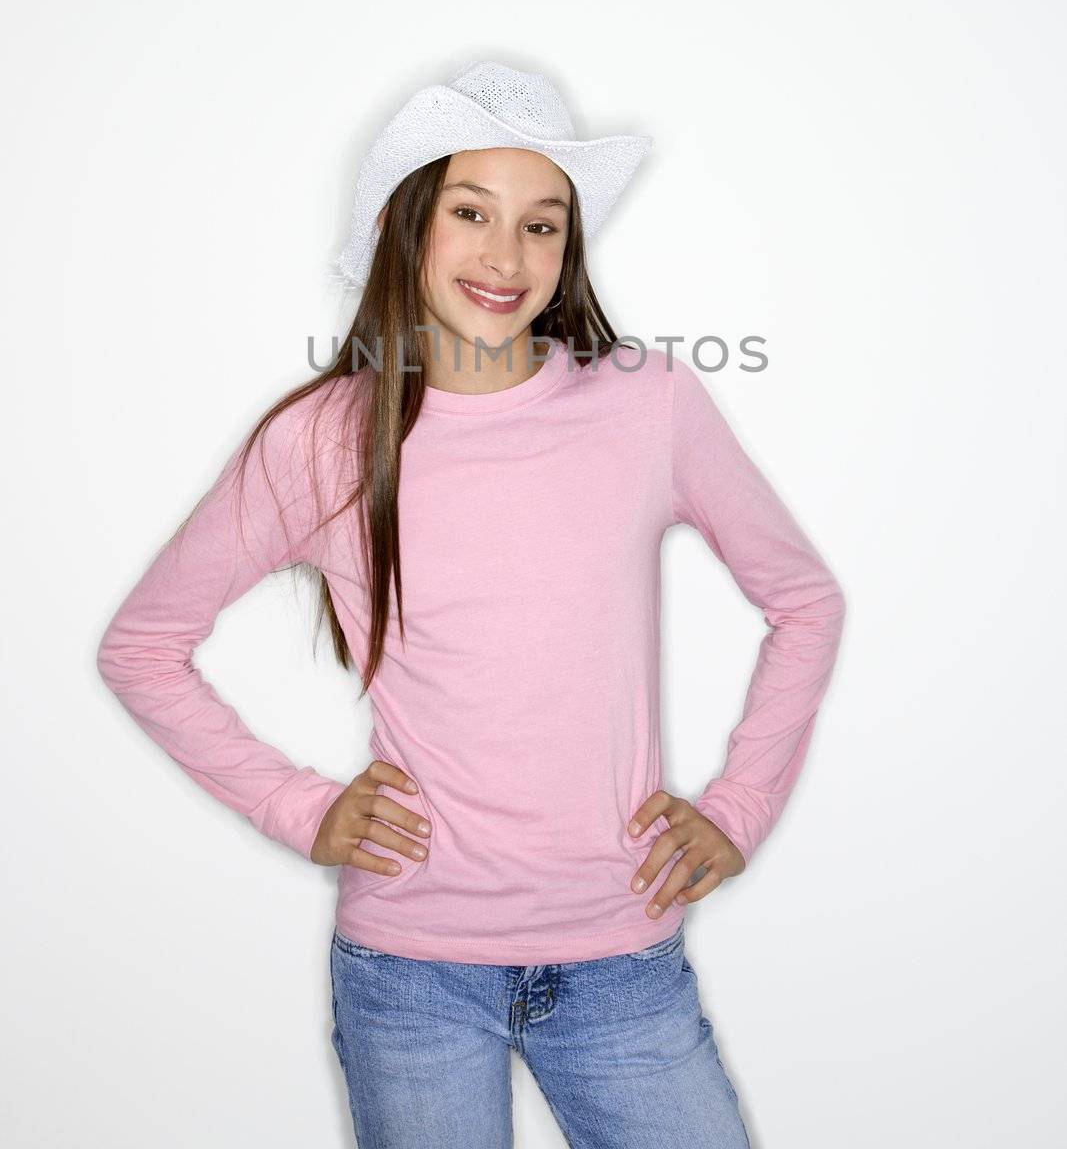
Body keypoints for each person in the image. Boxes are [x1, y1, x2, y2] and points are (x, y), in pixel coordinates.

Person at [96, 59, 847, 1148]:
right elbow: (144, 645)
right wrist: (298, 806)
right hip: (409, 975)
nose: (506, 255)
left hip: (621, 962)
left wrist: (737, 810)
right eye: (469, 212)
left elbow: (802, 599)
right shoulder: (321, 440)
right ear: (410, 224)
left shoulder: (648, 405)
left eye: (541, 225)